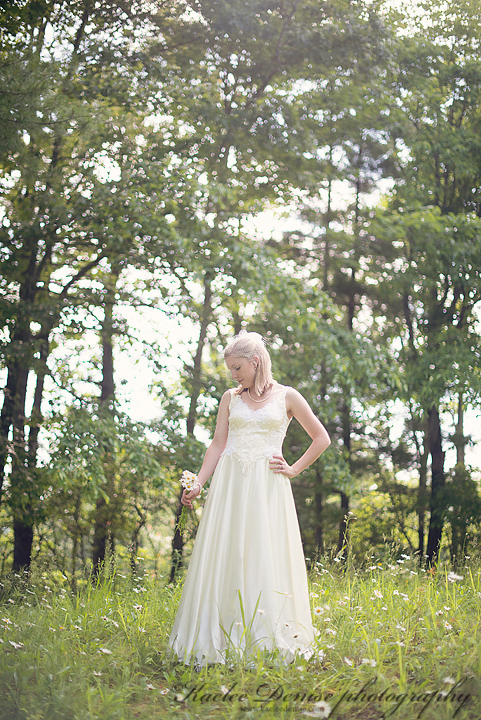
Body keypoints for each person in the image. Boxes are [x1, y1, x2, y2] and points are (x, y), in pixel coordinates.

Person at [169, 330, 331, 666]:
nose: (233, 374)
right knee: (228, 553)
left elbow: (321, 438)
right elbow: (218, 444)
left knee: (264, 553)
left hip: (267, 487)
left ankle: (265, 634)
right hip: (230, 485)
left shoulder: (288, 396)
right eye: (230, 368)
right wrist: (198, 482)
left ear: (255, 362)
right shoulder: (230, 398)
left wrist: (294, 469)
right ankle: (221, 631)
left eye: (237, 367)